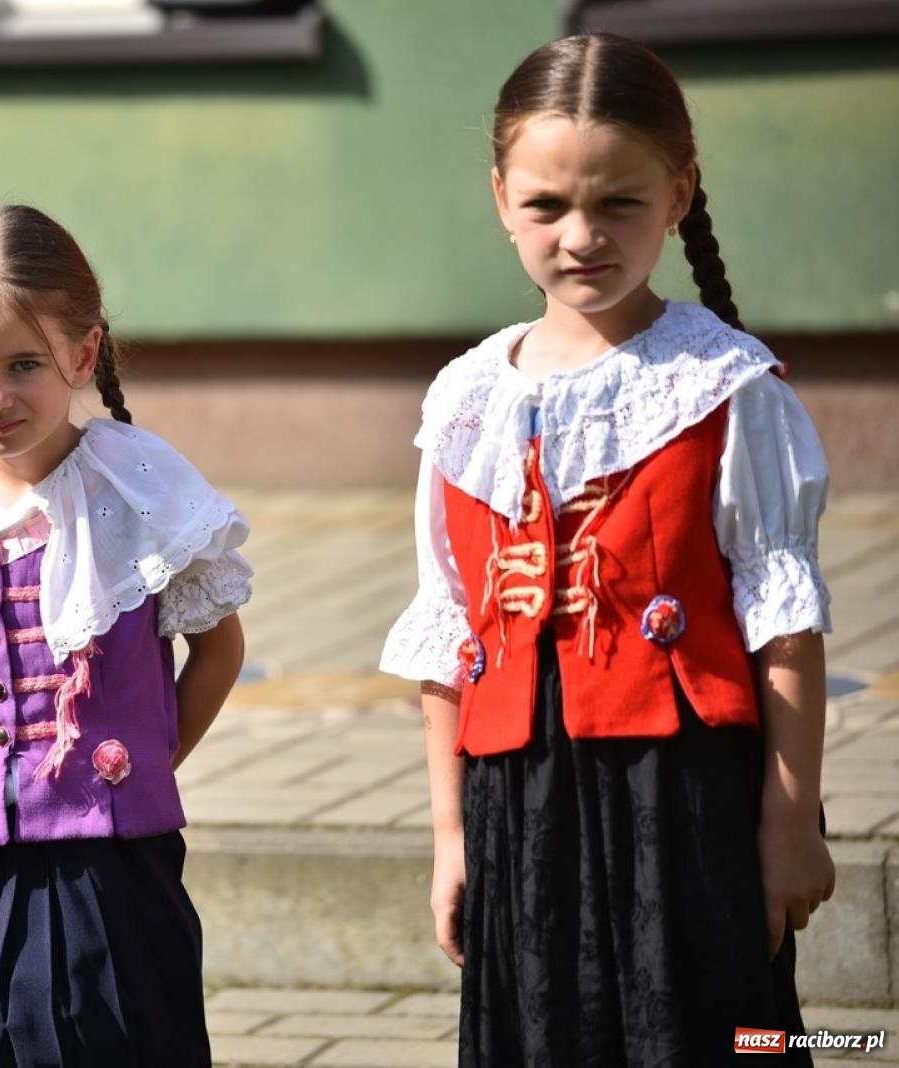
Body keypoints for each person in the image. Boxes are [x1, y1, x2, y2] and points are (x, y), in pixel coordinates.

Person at [379, 33, 836, 1066]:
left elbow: (785, 620)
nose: (580, 235)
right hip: (518, 805)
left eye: (617, 202)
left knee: (716, 1037)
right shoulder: (464, 403)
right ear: (501, 198)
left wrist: (788, 820)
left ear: (677, 194)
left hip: (681, 799)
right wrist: (450, 840)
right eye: (546, 206)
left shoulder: (724, 387)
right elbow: (452, 635)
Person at [0, 204, 251, 1066]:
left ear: (83, 355)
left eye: (24, 364)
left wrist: (146, 757)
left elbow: (218, 646)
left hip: (107, 867)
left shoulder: (136, 486)